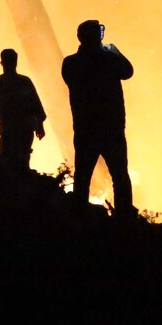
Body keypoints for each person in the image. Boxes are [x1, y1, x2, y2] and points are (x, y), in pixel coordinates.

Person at [61, 19, 135, 216]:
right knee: (120, 176)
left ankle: (79, 216)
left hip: (86, 129)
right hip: (112, 128)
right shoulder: (109, 59)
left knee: (83, 176)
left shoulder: (71, 63)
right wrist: (114, 51)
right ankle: (124, 216)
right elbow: (128, 72)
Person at [0, 48, 47, 173]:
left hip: (21, 131)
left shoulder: (2, 86)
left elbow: (35, 105)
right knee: (11, 163)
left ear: (2, 63)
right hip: (11, 132)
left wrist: (39, 124)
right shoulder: (3, 86)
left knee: (18, 163)